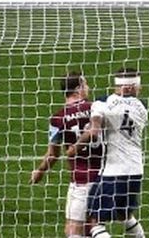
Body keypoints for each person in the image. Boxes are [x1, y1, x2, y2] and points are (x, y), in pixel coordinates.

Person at [67, 68, 148, 238]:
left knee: (94, 220)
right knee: (124, 214)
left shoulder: (103, 102)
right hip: (136, 170)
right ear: (131, 87)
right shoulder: (142, 106)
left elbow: (94, 130)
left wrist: (76, 147)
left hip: (113, 171)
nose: (140, 89)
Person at [30, 72, 103, 238]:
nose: (88, 88)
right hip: (104, 177)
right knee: (93, 227)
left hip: (81, 179)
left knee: (73, 229)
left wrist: (39, 171)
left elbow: (53, 155)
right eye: (85, 85)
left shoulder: (58, 118)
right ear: (77, 89)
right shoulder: (97, 109)